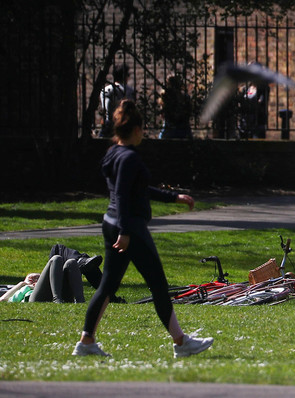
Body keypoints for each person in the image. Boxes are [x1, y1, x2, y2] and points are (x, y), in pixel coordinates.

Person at [73, 99, 213, 358]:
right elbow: (125, 195)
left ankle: (87, 341)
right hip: (130, 228)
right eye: (143, 130)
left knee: (107, 286)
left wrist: (174, 198)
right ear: (136, 129)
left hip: (111, 222)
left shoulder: (113, 153)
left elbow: (135, 190)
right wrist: (125, 232)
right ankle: (181, 343)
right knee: (158, 285)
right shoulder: (130, 158)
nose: (144, 134)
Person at [0, 253, 95, 303]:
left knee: (70, 263)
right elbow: (1, 301)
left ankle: (80, 302)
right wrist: (22, 284)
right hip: (30, 298)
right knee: (55, 258)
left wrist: (33, 280)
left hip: (34, 291)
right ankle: (57, 300)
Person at [99, 64, 136, 138]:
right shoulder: (130, 91)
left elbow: (106, 108)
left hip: (109, 125)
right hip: (125, 125)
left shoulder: (106, 90)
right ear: (125, 76)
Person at [158, 73, 192, 139]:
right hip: (184, 130)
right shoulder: (185, 97)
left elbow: (163, 114)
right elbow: (189, 112)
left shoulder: (166, 97)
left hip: (169, 130)